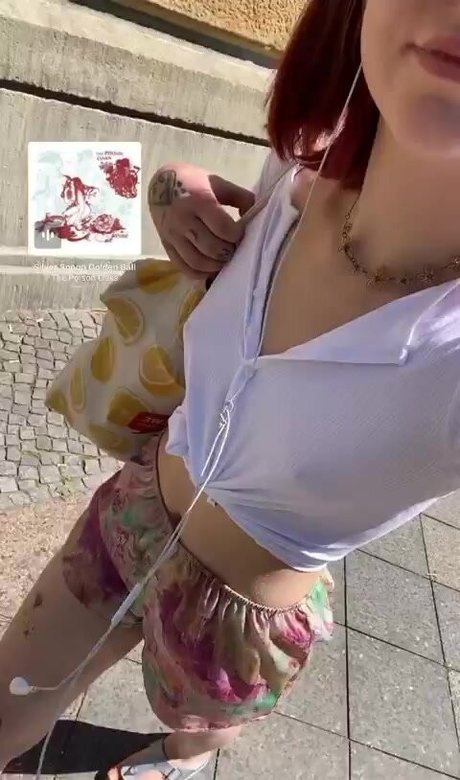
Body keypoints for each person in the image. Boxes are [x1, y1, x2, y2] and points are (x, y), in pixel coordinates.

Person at [3, 0, 460, 777]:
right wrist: (171, 193)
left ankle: (179, 761)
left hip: (235, 626)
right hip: (134, 510)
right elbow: (183, 198)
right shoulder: (291, 176)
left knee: (196, 735)